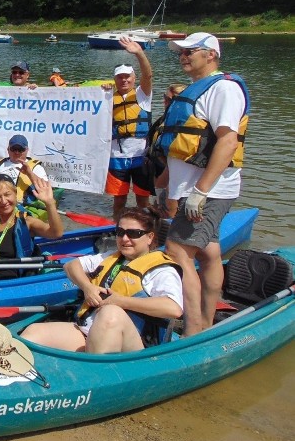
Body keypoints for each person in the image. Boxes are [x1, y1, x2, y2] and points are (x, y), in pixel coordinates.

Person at [155, 33, 249, 337]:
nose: (183, 57)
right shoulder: (197, 89)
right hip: (192, 191)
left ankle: (193, 330)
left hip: (208, 192)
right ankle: (206, 320)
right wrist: (166, 185)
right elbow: (181, 146)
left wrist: (200, 191)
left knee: (178, 251)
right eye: (180, 53)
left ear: (211, 55)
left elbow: (227, 140)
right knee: (209, 253)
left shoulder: (223, 88)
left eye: (189, 52)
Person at [21, 207, 183, 353]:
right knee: (33, 333)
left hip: (134, 344)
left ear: (149, 237)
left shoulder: (162, 270)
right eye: (120, 232)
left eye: (133, 234)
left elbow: (173, 308)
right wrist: (87, 288)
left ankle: (95, 376)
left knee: (110, 313)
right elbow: (71, 266)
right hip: (88, 331)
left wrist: (121, 301)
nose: (125, 238)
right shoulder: (110, 258)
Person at [104, 35, 154, 220]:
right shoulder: (107, 96)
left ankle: (147, 229)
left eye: (127, 76)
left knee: (143, 200)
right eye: (120, 77)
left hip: (140, 157)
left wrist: (139, 53)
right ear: (115, 79)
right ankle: (118, 227)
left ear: (134, 78)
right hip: (117, 157)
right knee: (119, 200)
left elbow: (148, 75)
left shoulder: (143, 95)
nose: (124, 80)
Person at [147, 83, 187, 217]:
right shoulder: (163, 120)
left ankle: (172, 228)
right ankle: (160, 226)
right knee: (158, 205)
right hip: (158, 168)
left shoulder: (184, 121)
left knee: (171, 204)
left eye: (171, 99)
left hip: (173, 168)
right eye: (165, 97)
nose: (166, 101)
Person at [0, 134, 49, 209]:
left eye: (20, 149)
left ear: (27, 150)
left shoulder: (36, 168)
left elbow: (45, 189)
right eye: (14, 149)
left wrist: (29, 173)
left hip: (15, 208)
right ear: (8, 149)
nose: (17, 152)